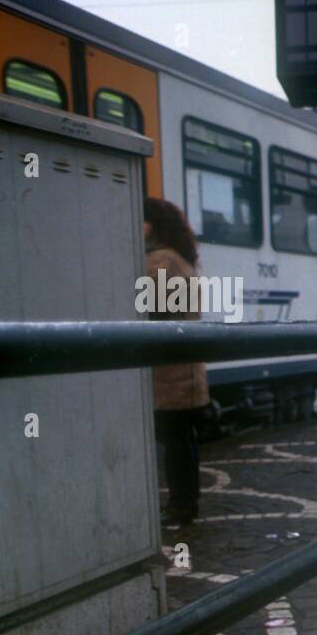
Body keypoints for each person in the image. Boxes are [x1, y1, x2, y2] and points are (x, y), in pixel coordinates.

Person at [144, 197, 209, 527]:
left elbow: (152, 311)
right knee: (182, 442)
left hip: (169, 373)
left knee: (175, 444)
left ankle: (181, 507)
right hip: (186, 370)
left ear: (151, 225)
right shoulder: (180, 259)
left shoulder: (158, 262)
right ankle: (186, 504)